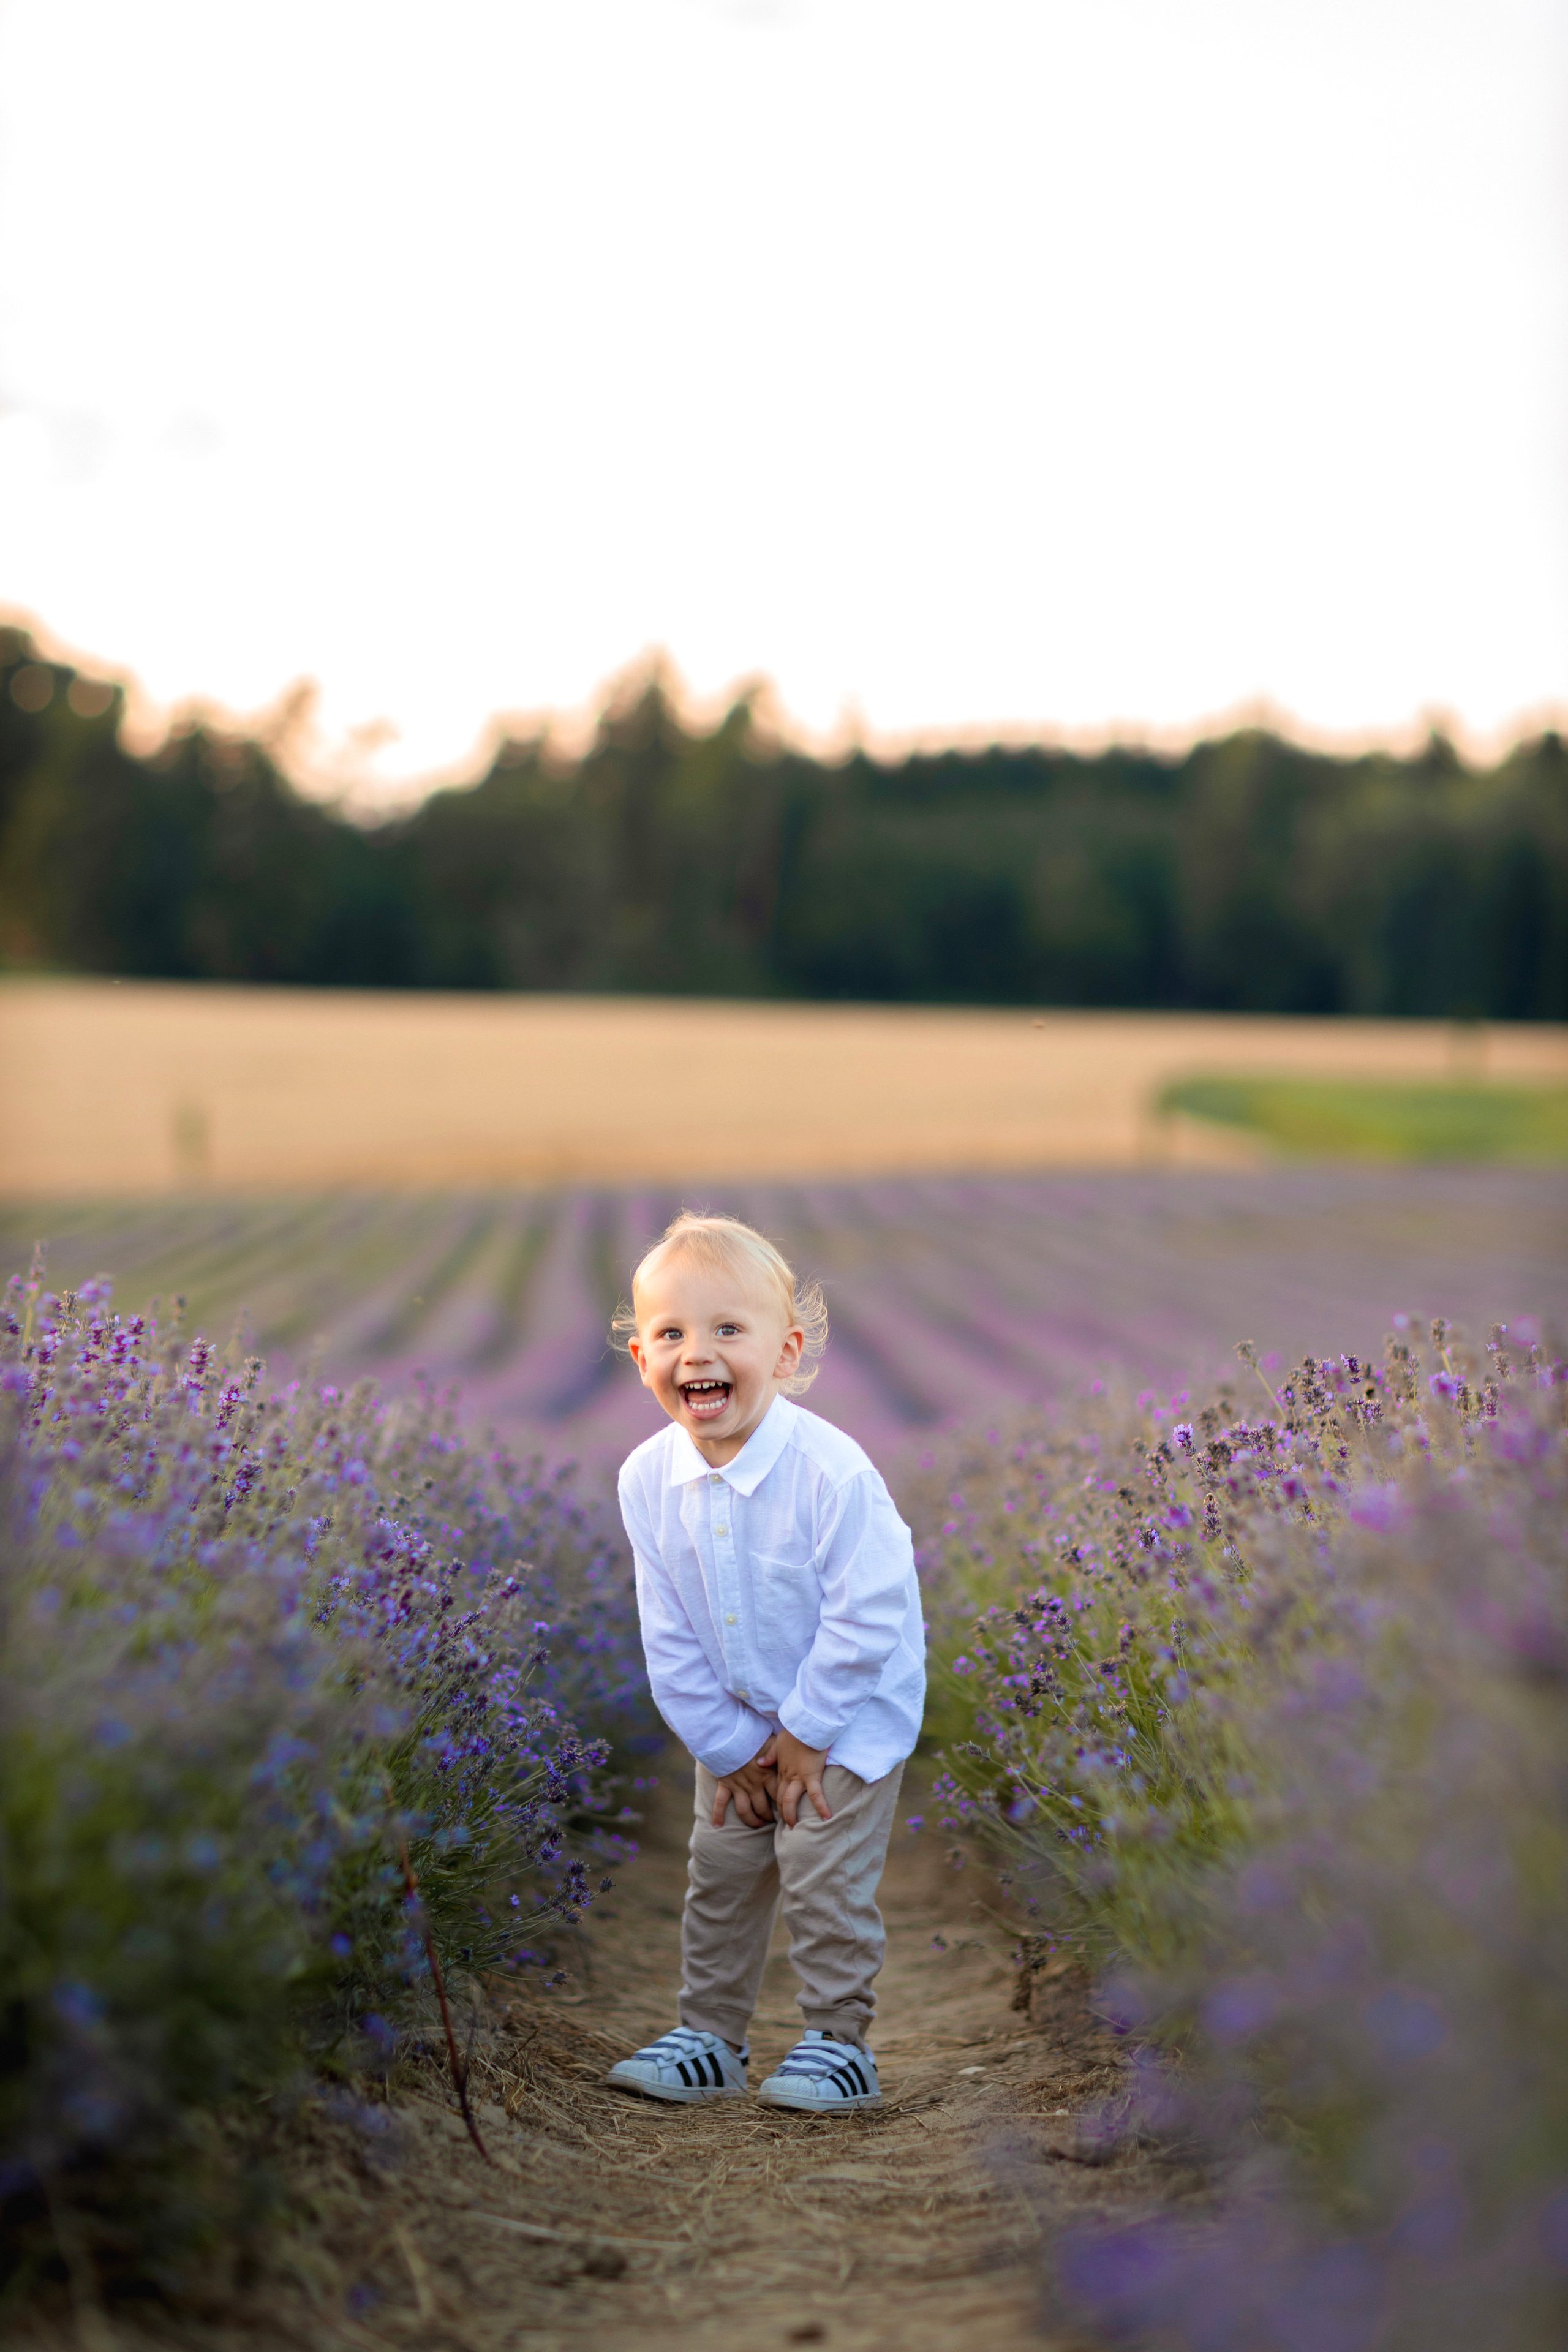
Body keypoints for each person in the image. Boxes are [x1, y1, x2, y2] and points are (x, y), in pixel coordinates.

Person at [603, 1212, 925, 2113]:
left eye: (726, 1331)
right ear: (642, 1363)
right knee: (723, 1874)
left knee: (823, 1876)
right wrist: (731, 1747)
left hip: (849, 1715)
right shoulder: (645, 1480)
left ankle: (837, 2042)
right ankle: (711, 2036)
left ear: (785, 1354)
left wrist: (809, 1734)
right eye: (670, 1334)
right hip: (737, 1723)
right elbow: (666, 1633)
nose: (695, 1353)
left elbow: (870, 1615)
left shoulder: (832, 1473)